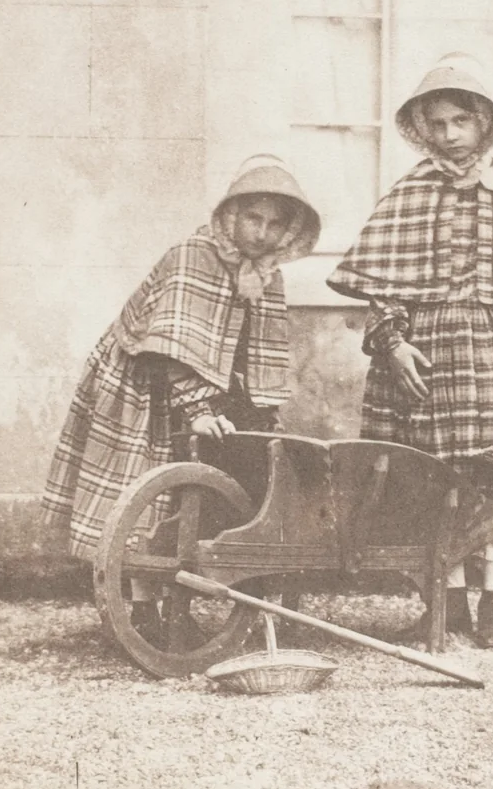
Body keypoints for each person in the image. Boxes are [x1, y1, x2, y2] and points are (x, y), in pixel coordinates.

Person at [326, 54, 493, 649]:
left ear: (483, 124)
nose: (450, 135)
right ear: (422, 130)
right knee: (436, 483)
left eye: (460, 121)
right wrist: (394, 345)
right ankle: (447, 603)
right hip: (427, 365)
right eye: (438, 124)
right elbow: (384, 289)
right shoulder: (411, 192)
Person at [41, 155, 320, 627]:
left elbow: (256, 350)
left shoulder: (267, 274)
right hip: (149, 381)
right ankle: (144, 606)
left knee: (206, 489)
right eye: (253, 218)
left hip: (208, 386)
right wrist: (195, 406)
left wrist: (258, 407)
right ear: (231, 215)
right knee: (151, 490)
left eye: (274, 223)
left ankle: (183, 601)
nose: (261, 232)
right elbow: (171, 343)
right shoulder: (194, 255)